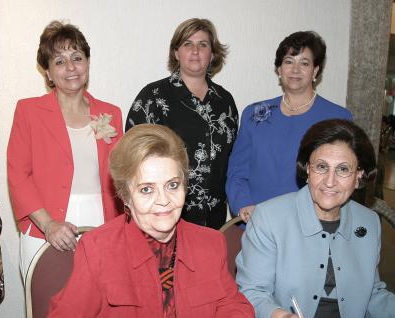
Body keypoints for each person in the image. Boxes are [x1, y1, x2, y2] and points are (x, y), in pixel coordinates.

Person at [48, 124, 254, 317]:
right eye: (146, 189)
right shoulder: (98, 250)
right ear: (126, 196)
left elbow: (234, 306)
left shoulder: (210, 243)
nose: (163, 201)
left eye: (172, 185)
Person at [236, 119, 395, 318]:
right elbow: (252, 292)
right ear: (308, 169)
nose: (330, 181)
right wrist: (280, 315)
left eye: (343, 169)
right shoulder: (268, 218)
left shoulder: (369, 222)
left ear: (359, 177)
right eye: (321, 167)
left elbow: (371, 294)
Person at [7, 21, 123, 278]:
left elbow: (121, 176)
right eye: (59, 61)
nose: (71, 68)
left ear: (88, 63)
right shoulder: (28, 111)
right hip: (45, 228)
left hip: (101, 227)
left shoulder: (111, 113)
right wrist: (49, 225)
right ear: (47, 72)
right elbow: (18, 176)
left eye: (77, 58)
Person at [226, 31, 352, 223]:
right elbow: (237, 172)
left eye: (304, 63)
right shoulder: (254, 113)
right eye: (288, 61)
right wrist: (243, 204)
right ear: (279, 69)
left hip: (310, 224)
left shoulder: (338, 118)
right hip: (256, 221)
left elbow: (342, 178)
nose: (295, 70)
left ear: (315, 71)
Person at [126, 18, 238, 229]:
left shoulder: (226, 102)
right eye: (187, 44)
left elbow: (231, 160)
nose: (195, 50)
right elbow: (132, 160)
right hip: (163, 215)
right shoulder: (152, 97)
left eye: (203, 44)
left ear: (212, 54)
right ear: (176, 53)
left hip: (213, 220)